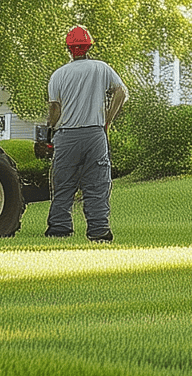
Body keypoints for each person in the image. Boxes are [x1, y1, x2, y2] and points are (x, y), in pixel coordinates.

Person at [40, 24, 127, 242]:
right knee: (97, 184)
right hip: (95, 135)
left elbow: (55, 108)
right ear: (89, 47)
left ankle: (59, 227)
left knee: (63, 183)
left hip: (66, 136)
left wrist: (50, 127)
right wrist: (108, 119)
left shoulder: (59, 74)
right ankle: (99, 230)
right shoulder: (101, 68)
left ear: (68, 49)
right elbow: (121, 92)